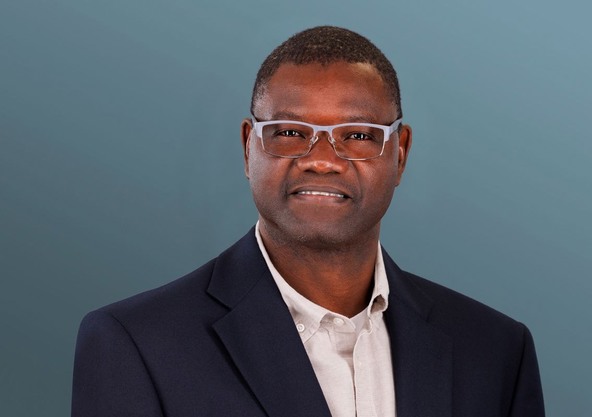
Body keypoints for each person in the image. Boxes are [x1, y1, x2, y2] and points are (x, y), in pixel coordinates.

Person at [72, 26, 545, 417]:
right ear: (248, 147)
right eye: (290, 132)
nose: (321, 160)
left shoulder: (496, 353)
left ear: (400, 154)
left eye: (358, 135)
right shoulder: (137, 345)